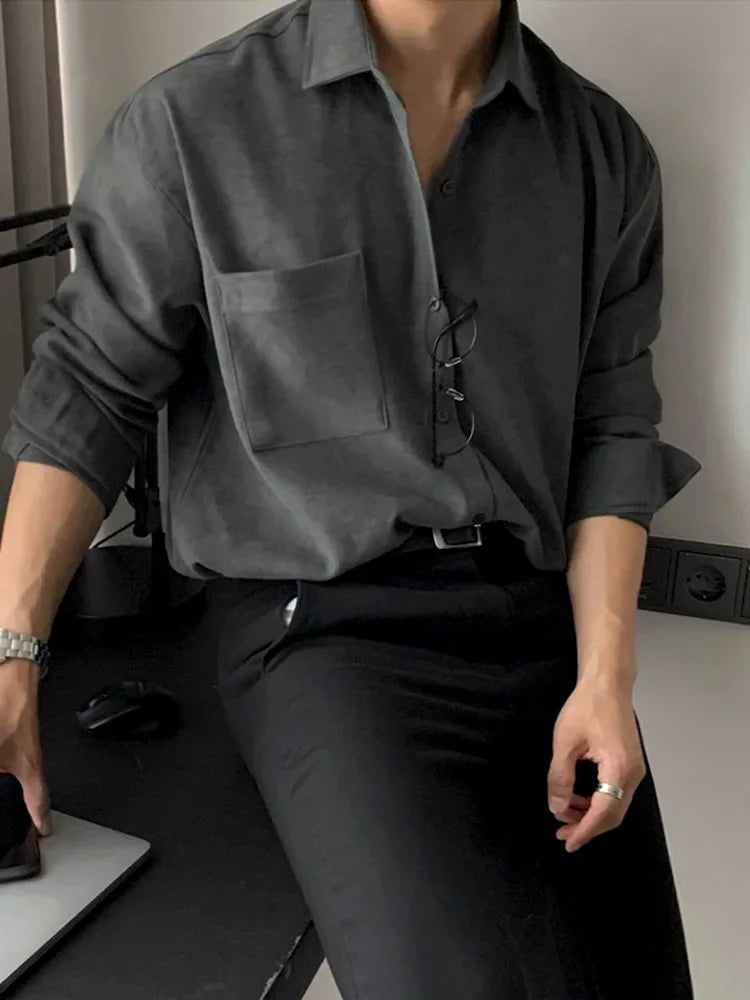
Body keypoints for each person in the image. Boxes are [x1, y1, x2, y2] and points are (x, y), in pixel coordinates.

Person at [0, 0, 701, 996]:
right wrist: (12, 659)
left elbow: (613, 426)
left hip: (544, 621)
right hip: (323, 632)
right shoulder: (194, 124)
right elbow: (92, 391)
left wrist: (606, 677)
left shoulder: (602, 151)